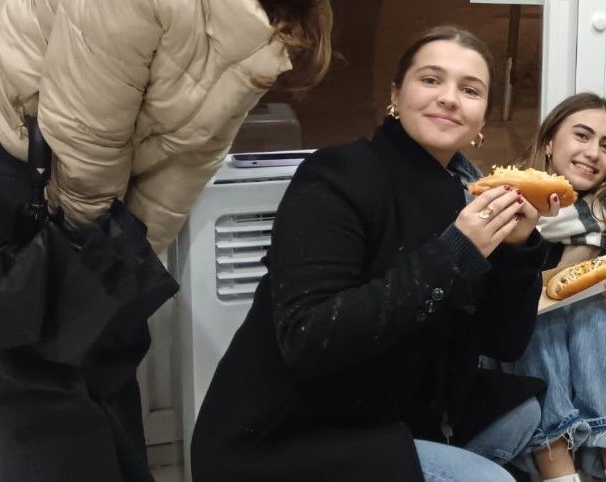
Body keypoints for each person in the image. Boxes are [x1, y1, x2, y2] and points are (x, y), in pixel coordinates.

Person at [0, 0, 369, 481]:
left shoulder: (273, 19)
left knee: (110, 338)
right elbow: (84, 137)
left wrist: (127, 258)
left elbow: (193, 154)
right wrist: (84, 259)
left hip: (88, 154)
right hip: (1, 137)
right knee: (32, 359)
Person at [190, 27, 554, 482]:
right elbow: (309, 339)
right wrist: (456, 252)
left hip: (390, 410)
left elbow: (503, 342)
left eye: (470, 89)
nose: (449, 98)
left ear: (481, 120)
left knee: (519, 415)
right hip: (291, 435)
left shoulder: (465, 196)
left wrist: (517, 251)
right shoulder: (337, 176)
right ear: (395, 96)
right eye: (430, 80)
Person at [504, 93, 606, 482]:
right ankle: (559, 471)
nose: (593, 153)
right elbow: (493, 294)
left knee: (595, 308)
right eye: (582, 136)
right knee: (536, 307)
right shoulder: (505, 199)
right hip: (504, 345)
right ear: (549, 143)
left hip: (587, 355)